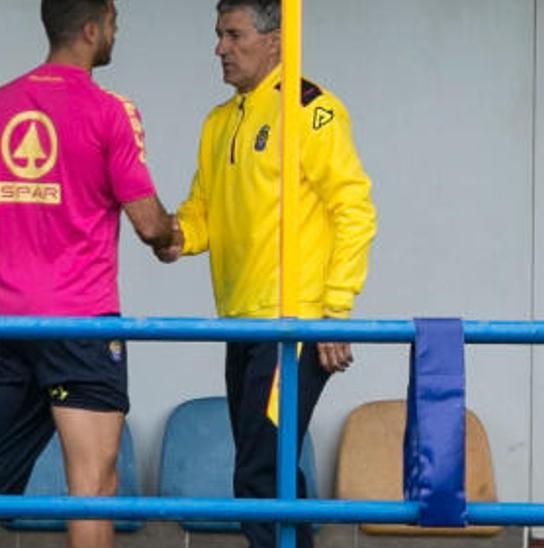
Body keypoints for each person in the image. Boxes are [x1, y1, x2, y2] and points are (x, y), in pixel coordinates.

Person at [0, 1, 176, 547]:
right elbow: (148, 225)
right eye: (114, 25)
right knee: (93, 485)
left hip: (15, 325)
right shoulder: (108, 111)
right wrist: (178, 235)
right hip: (83, 325)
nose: (116, 36)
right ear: (93, 29)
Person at [156, 0, 376, 546]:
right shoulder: (219, 121)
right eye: (218, 35)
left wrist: (334, 313)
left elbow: (355, 210)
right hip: (242, 326)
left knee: (259, 473)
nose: (220, 49)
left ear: (276, 40)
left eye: (234, 35)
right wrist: (170, 235)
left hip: (293, 329)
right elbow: (202, 212)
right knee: (272, 473)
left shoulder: (310, 111)